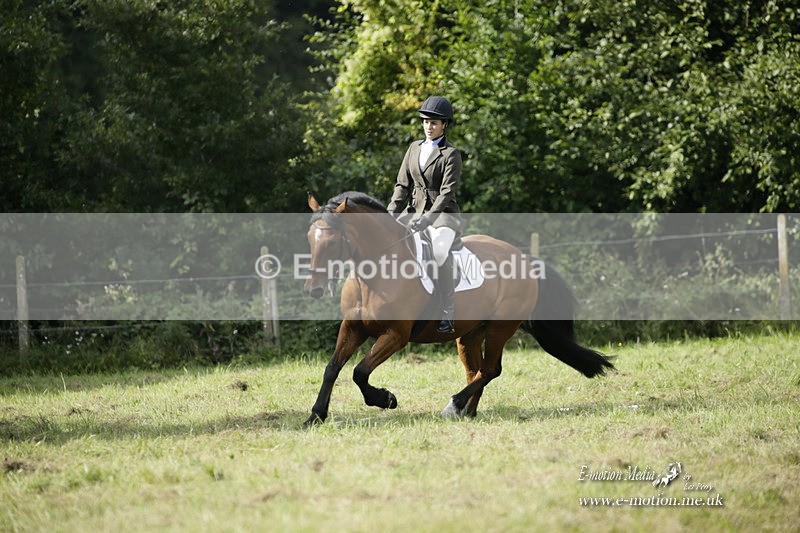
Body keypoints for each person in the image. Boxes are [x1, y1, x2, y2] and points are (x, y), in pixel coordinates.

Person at [387, 96, 463, 333]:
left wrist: (428, 219)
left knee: (439, 252)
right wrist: (390, 212)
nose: (429, 126)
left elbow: (447, 192)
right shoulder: (413, 148)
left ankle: (448, 311)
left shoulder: (451, 154)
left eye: (434, 122)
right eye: (425, 122)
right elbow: (402, 185)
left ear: (444, 125)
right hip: (412, 212)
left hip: (442, 216)